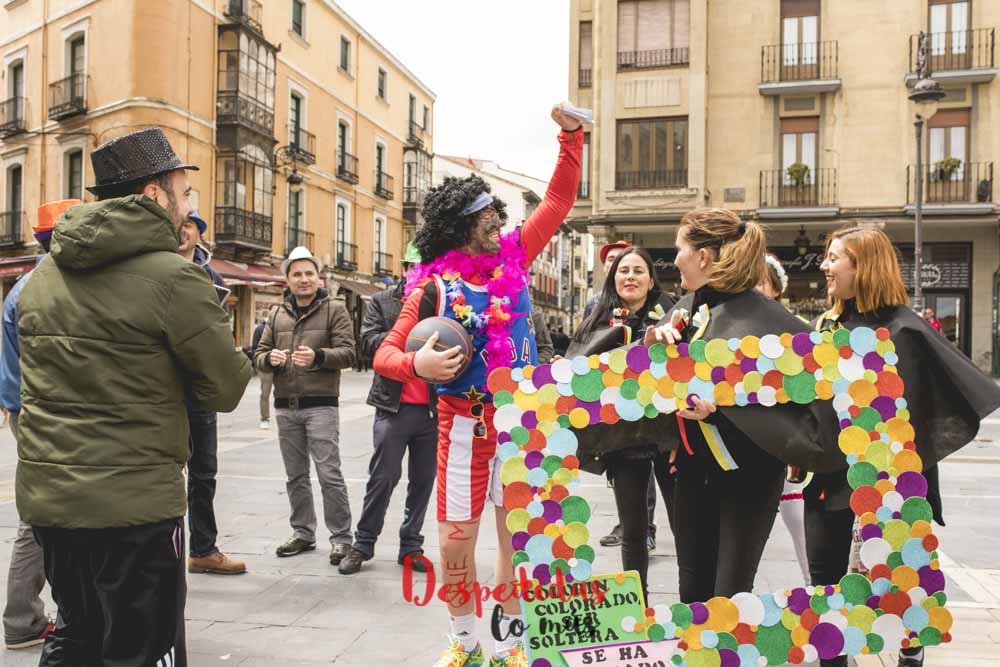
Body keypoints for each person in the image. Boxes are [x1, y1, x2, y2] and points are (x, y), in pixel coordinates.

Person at [17, 127, 252, 666]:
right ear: (154, 195)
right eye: (183, 191)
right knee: (143, 649)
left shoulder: (44, 275)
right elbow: (227, 387)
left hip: (55, 504)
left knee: (74, 636)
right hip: (136, 510)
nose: (190, 203)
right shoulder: (175, 278)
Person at [374, 105, 582, 667]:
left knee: (516, 537)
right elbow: (385, 352)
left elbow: (559, 201)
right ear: (457, 227)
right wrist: (419, 369)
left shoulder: (515, 256)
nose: (496, 218)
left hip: (521, 421)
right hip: (461, 425)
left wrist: (571, 136)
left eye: (495, 209)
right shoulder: (432, 288)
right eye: (484, 212)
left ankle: (511, 641)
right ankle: (464, 642)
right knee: (455, 542)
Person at [809, 226, 1000, 667]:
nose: (824, 265)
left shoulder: (904, 331)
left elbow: (938, 405)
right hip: (831, 480)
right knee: (826, 588)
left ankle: (909, 654)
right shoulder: (827, 325)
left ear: (863, 267)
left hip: (891, 490)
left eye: (834, 257)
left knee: (902, 596)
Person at [644, 207, 839, 604]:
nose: (675, 257)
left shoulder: (767, 317)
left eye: (679, 248)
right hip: (693, 475)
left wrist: (722, 409)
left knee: (729, 598)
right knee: (692, 595)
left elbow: (802, 405)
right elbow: (648, 385)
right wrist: (651, 352)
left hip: (749, 480)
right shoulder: (683, 309)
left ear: (702, 256)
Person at [569, 246, 676, 601]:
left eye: (638, 271)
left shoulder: (674, 314)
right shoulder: (597, 317)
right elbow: (578, 368)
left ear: (650, 278)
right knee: (633, 530)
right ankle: (639, 604)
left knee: (686, 525)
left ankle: (693, 601)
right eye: (622, 270)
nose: (629, 276)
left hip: (670, 437)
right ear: (613, 277)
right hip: (623, 438)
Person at [1, 199, 79, 650]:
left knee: (40, 512)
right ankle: (22, 620)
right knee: (38, 517)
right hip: (39, 416)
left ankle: (27, 617)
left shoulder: (24, 286)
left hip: (24, 411)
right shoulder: (43, 288)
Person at [339, 243, 437, 576]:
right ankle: (362, 545)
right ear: (405, 268)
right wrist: (407, 340)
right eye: (414, 266)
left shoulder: (445, 302)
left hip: (433, 410)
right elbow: (367, 341)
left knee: (423, 481)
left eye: (426, 267)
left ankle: (411, 546)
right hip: (393, 407)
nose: (418, 273)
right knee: (383, 477)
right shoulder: (382, 302)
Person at [255, 246, 357, 565]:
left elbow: (350, 353)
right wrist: (267, 359)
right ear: (287, 279)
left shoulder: (335, 309)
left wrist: (319, 357)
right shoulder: (276, 313)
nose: (303, 279)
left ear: (318, 277)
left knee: (329, 472)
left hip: (321, 405)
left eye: (309, 273)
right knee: (295, 475)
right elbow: (258, 352)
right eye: (296, 274)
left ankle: (341, 539)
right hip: (285, 405)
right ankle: (303, 533)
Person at [177, 210, 246, 576]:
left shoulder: (212, 278)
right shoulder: (155, 269)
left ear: (198, 233)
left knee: (204, 473)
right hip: (163, 391)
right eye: (179, 223)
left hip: (199, 390)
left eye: (189, 225)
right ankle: (166, 550)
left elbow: (219, 333)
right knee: (162, 473)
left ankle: (203, 548)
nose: (182, 231)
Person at [755, 253, 810, 583]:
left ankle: (813, 587)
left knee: (804, 537)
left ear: (776, 289)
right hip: (743, 458)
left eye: (762, 282)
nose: (755, 289)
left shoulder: (796, 333)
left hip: (790, 456)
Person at [582, 240, 630, 320]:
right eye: (611, 259)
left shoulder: (645, 300)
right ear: (604, 267)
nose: (615, 263)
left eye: (621, 259)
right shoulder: (594, 303)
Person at [252, 313, 273, 429]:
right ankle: (265, 418)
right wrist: (258, 363)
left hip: (282, 364)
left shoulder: (281, 326)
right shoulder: (260, 329)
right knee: (265, 393)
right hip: (266, 366)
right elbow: (255, 347)